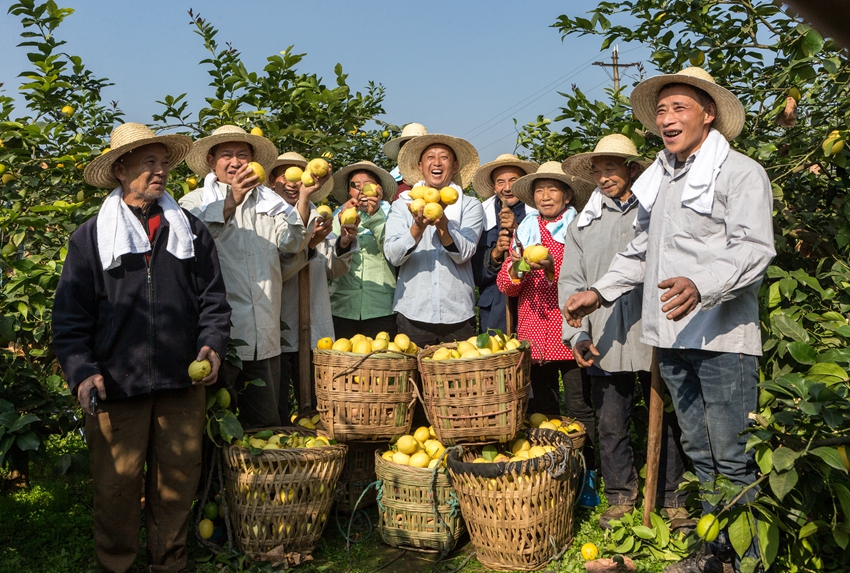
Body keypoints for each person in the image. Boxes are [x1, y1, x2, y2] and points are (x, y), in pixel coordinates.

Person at [563, 67, 775, 573]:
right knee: (700, 450)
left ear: (708, 115)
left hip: (723, 338)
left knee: (732, 454)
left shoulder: (740, 172)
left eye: (680, 108)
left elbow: (754, 248)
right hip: (673, 335)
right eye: (661, 110)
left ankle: (747, 559)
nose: (667, 118)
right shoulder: (662, 181)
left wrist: (702, 284)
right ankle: (715, 552)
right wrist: (599, 291)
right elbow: (642, 250)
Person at [53, 123, 231, 573]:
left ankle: (169, 564)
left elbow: (213, 299)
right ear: (120, 170)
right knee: (116, 486)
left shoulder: (187, 230)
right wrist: (81, 370)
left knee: (176, 484)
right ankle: (117, 565)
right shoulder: (91, 236)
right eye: (148, 163)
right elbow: (70, 318)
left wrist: (211, 345)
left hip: (179, 378)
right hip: (116, 381)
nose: (160, 171)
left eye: (162, 162)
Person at [560, 134, 690, 530]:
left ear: (632, 169)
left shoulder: (657, 208)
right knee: (611, 419)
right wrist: (577, 336)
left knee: (665, 417)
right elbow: (571, 281)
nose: (602, 178)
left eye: (610, 169)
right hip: (605, 335)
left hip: (656, 329)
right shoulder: (585, 223)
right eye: (597, 172)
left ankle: (673, 497)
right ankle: (620, 495)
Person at [180, 125, 327, 430]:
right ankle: (216, 480)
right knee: (215, 425)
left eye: (242, 155)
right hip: (221, 338)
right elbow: (191, 244)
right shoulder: (193, 203)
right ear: (211, 161)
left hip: (265, 334)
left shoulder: (270, 204)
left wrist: (303, 198)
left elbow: (291, 244)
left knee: (265, 427)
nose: (235, 162)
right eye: (227, 155)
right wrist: (231, 201)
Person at [494, 162, 596, 466]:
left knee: (579, 406)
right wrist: (516, 269)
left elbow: (588, 279)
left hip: (572, 329)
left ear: (567, 197)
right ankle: (549, 471)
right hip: (534, 331)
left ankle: (586, 473)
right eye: (539, 191)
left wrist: (553, 269)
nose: (546, 196)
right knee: (542, 408)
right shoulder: (524, 232)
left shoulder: (581, 229)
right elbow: (505, 286)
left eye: (553, 190)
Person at [268, 152, 357, 418]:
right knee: (278, 407)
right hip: (279, 326)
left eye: (298, 174)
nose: (293, 182)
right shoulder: (267, 216)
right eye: (285, 175)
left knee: (320, 405)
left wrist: (343, 243)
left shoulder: (321, 216)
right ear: (272, 181)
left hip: (314, 327)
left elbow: (333, 269)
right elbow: (274, 268)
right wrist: (308, 246)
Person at [384, 134, 483, 347]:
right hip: (413, 312)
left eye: (444, 157)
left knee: (459, 380)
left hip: (457, 313)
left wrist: (442, 222)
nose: (437, 162)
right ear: (420, 166)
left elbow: (464, 254)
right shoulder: (403, 205)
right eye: (430, 157)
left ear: (455, 166)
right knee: (414, 380)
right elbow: (393, 256)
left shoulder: (470, 205)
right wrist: (417, 228)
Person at [328, 161, 398, 339]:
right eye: (355, 186)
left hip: (381, 306)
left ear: (379, 189)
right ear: (349, 191)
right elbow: (329, 256)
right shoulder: (338, 216)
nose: (361, 189)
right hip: (342, 306)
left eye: (367, 184)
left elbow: (393, 251)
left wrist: (375, 216)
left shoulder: (393, 215)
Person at [471, 154, 538, 335]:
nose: (507, 188)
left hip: (530, 303)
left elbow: (545, 257)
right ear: (494, 187)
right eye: (501, 182)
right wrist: (496, 254)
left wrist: (517, 231)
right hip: (494, 307)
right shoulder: (480, 215)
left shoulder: (537, 213)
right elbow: (474, 273)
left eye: (513, 181)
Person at [382, 122, 428, 199]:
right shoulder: (392, 181)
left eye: (416, 148)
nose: (411, 152)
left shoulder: (436, 176)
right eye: (407, 148)